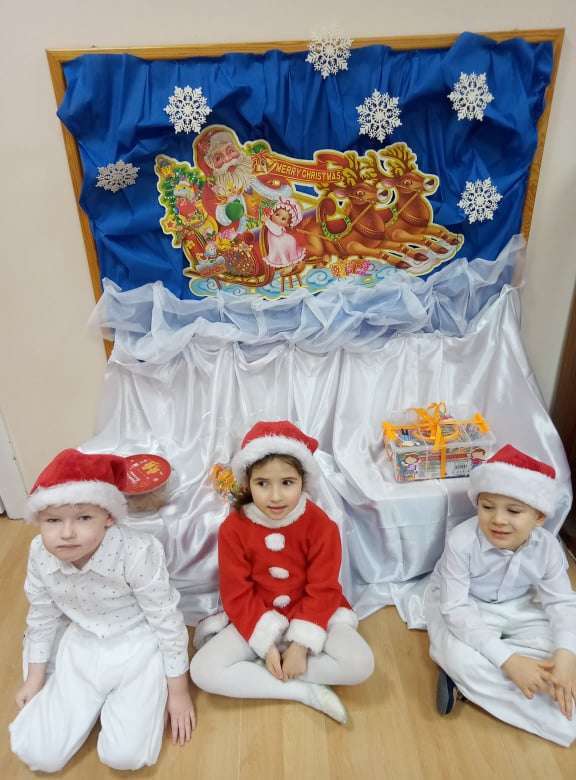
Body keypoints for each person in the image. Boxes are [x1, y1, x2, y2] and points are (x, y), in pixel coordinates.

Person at [9, 449, 195, 772]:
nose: (67, 533)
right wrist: (35, 678)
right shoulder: (39, 553)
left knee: (125, 756)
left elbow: (166, 620)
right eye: (53, 520)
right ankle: (84, 703)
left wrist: (178, 692)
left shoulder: (137, 552)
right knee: (39, 754)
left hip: (137, 645)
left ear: (108, 517)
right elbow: (41, 615)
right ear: (39, 520)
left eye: (83, 518)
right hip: (82, 643)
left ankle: (124, 701)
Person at [190, 421, 374, 724]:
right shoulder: (233, 529)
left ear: (303, 481)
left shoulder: (321, 526)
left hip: (315, 614)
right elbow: (236, 592)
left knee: (361, 664)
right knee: (202, 670)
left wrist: (301, 645)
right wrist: (265, 644)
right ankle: (303, 692)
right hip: (257, 616)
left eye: (287, 483)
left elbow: (324, 588)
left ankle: (264, 672)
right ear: (248, 482)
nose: (275, 496)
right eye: (263, 484)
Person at [426, 444, 576, 746]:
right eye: (487, 507)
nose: (498, 519)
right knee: (459, 657)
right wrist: (508, 661)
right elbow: (456, 610)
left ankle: (529, 681)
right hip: (466, 607)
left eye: (514, 511)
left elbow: (561, 602)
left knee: (566, 647)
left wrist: (565, 654)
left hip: (520, 605)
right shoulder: (461, 541)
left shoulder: (548, 547)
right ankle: (480, 678)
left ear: (539, 517)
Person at [263, 198, 306, 269]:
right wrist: (267, 221)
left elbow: (281, 231)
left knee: (292, 240)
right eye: (277, 214)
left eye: (283, 219)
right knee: (282, 246)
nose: (278, 219)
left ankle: (293, 258)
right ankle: (285, 260)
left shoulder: (278, 225)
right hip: (276, 241)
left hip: (281, 238)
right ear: (272, 213)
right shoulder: (271, 224)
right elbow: (277, 232)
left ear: (287, 223)